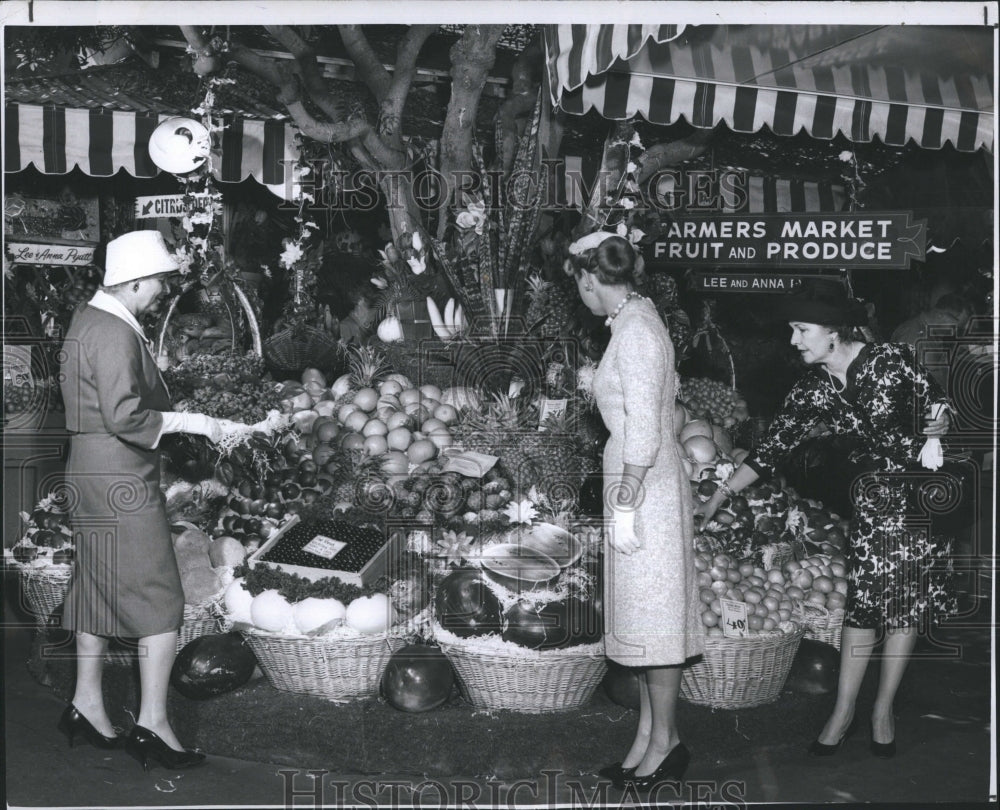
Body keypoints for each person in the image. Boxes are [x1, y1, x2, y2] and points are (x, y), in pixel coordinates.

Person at [695, 278, 954, 760]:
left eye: (801, 329)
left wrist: (938, 421)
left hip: (917, 500)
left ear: (833, 331)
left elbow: (938, 401)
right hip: (872, 506)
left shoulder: (889, 362)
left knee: (904, 609)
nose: (793, 340)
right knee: (861, 607)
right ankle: (843, 710)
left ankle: (883, 709)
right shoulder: (814, 387)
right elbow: (771, 452)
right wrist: (721, 495)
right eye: (793, 329)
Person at [57, 230, 245, 771]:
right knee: (160, 596)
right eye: (159, 282)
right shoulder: (115, 330)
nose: (162, 291)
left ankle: (86, 703)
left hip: (87, 467)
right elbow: (124, 415)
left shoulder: (86, 319)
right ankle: (154, 726)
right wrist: (197, 421)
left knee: (94, 584)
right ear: (136, 281)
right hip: (119, 470)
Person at [565, 232, 704, 792]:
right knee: (646, 613)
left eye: (579, 283)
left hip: (643, 483)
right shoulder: (634, 319)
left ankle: (667, 741)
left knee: (657, 617)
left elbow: (647, 424)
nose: (581, 294)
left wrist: (627, 489)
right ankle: (647, 738)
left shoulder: (639, 331)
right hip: (639, 477)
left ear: (589, 278)